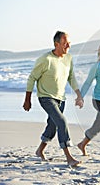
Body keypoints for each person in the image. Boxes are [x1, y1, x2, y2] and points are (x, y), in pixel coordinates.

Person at [23, 31, 84, 167]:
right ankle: (69, 158)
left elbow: (71, 77)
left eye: (69, 42)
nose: (68, 45)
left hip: (61, 98)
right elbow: (32, 78)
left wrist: (78, 94)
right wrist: (27, 99)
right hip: (46, 97)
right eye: (65, 43)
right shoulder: (45, 59)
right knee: (62, 121)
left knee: (53, 124)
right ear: (57, 44)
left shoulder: (68, 58)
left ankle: (40, 150)